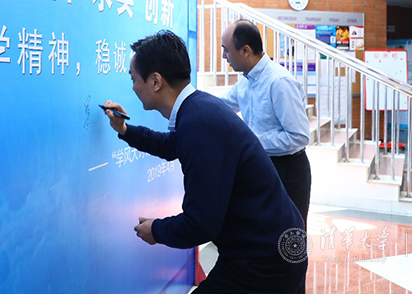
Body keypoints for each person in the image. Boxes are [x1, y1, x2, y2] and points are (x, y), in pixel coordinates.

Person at [103, 30, 307, 294]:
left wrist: (157, 230)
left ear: (155, 81)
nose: (133, 87)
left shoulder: (198, 123)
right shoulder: (198, 110)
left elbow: (200, 224)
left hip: (265, 261)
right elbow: (171, 145)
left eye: (134, 79)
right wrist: (125, 130)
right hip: (265, 248)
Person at [220, 19, 312, 231]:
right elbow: (222, 106)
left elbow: (299, 136)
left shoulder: (279, 82)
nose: (224, 56)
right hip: (261, 164)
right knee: (260, 235)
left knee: (287, 238)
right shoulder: (246, 80)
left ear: (245, 50)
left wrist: (250, 141)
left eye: (226, 50)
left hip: (287, 170)